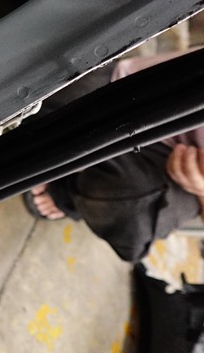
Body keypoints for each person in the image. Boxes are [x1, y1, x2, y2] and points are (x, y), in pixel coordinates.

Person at [26, 50, 204, 262]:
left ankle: (69, 189)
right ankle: (68, 165)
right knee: (31, 94)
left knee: (133, 222)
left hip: (178, 166)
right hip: (135, 93)